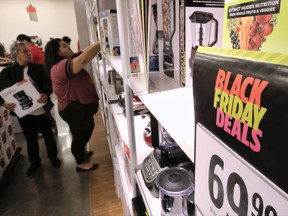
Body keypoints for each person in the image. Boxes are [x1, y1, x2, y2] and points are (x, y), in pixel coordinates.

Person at [0, 41, 61, 176]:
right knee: (30, 137)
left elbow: (48, 83)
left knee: (48, 135)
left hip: (41, 109)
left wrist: (46, 93)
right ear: (16, 54)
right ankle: (35, 162)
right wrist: (4, 103)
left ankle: (53, 157)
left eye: (28, 50)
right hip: (24, 113)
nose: (29, 53)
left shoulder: (39, 68)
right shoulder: (7, 72)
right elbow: (2, 92)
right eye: (25, 51)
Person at [45, 38, 101, 171]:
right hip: (73, 109)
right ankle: (80, 163)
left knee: (88, 128)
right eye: (64, 46)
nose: (69, 47)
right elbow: (83, 60)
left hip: (80, 109)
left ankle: (81, 149)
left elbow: (84, 52)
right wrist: (101, 43)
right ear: (56, 52)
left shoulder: (67, 61)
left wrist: (98, 42)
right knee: (79, 135)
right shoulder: (59, 67)